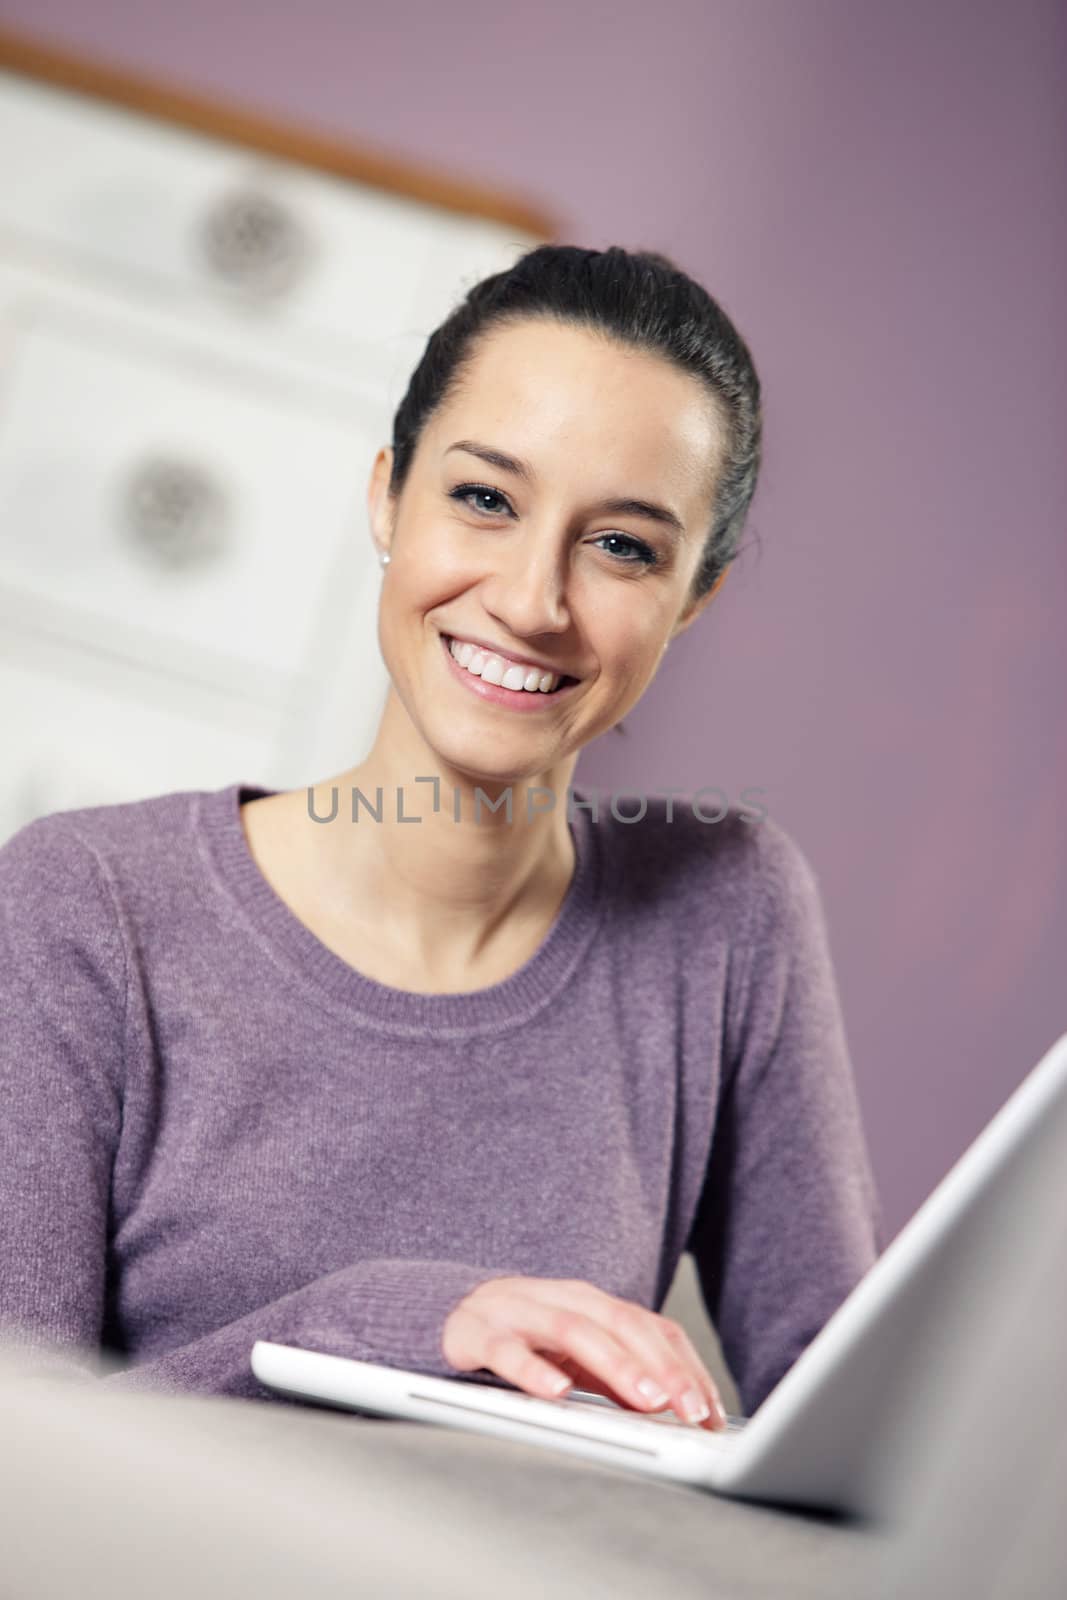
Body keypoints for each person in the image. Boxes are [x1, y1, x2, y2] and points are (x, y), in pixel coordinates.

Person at [0, 243, 883, 1430]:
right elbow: (24, 1461)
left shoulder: (725, 912)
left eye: (622, 545)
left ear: (693, 598)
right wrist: (384, 1326)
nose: (531, 600)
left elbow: (854, 1439)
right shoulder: (84, 906)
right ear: (386, 495)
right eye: (484, 499)